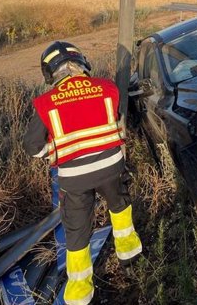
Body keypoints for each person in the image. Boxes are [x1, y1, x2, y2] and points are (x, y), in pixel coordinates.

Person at [24, 41, 142, 305]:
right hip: (112, 166)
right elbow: (115, 116)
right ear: (83, 62)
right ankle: (130, 256)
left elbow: (32, 147)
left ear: (50, 73)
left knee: (76, 230)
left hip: (74, 178)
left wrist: (53, 151)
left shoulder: (47, 102)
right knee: (120, 208)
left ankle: (80, 292)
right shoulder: (107, 88)